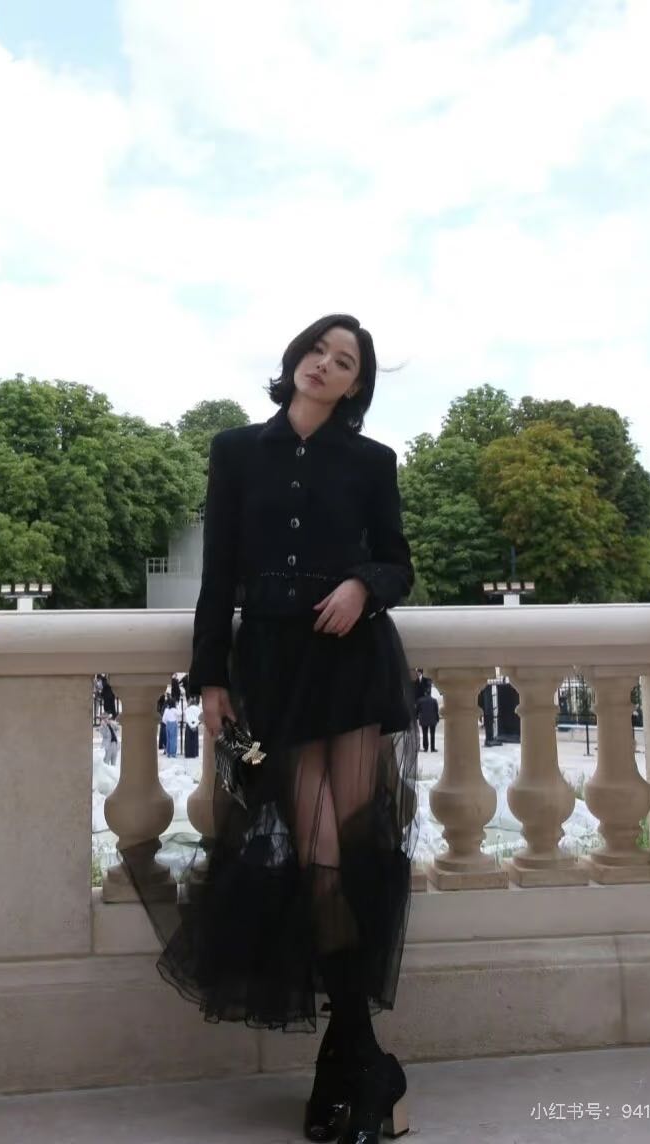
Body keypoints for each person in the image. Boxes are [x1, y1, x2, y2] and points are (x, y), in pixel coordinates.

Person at [121, 314, 417, 1144]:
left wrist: (363, 585)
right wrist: (211, 675)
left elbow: (399, 562)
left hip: (351, 666)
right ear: (295, 360)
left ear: (356, 385)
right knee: (316, 857)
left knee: (345, 855)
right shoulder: (235, 451)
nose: (324, 364)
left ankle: (345, 1067)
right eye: (317, 350)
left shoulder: (371, 460)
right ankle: (367, 1065)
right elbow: (219, 572)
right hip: (274, 669)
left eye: (343, 360)